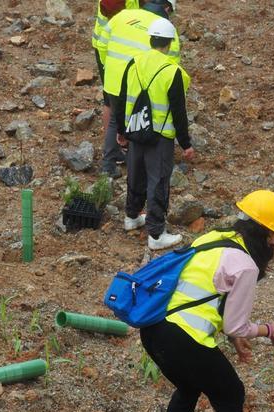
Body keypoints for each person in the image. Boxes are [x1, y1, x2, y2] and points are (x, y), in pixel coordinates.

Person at [139, 190, 274, 412]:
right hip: (185, 339)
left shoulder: (210, 239)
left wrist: (235, 337)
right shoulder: (247, 265)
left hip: (155, 328)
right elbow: (236, 323)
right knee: (231, 394)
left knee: (188, 387)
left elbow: (208, 296)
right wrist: (269, 329)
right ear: (269, 237)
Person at [114, 18, 194, 250]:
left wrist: (121, 130)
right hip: (159, 137)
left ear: (150, 40)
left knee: (135, 174)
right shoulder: (173, 72)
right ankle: (156, 235)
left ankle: (131, 217)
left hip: (136, 130)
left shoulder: (133, 63)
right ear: (168, 43)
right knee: (157, 181)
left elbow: (121, 99)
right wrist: (185, 143)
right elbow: (179, 111)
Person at [98, 0, 179, 179]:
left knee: (114, 119)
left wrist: (110, 67)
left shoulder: (123, 15)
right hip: (140, 83)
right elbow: (171, 66)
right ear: (167, 8)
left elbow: (102, 45)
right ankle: (138, 165)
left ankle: (108, 165)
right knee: (140, 119)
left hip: (113, 79)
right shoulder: (166, 29)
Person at [91, 0, 139, 178]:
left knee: (110, 99)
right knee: (115, 102)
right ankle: (110, 157)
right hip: (115, 47)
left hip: (109, 44)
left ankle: (113, 149)